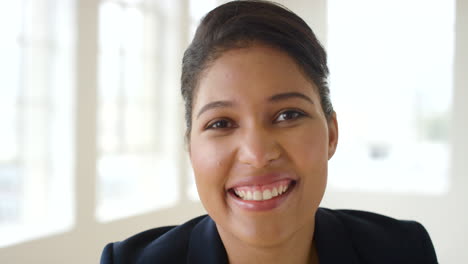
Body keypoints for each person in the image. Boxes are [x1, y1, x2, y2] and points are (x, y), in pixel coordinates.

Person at [100, 1, 438, 263]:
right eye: (221, 123)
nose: (257, 154)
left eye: (288, 114)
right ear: (190, 148)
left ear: (331, 134)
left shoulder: (404, 252)